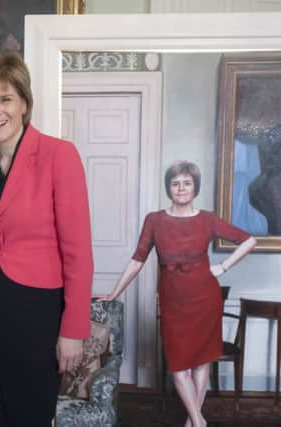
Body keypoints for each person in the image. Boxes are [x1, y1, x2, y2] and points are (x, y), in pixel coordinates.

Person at [0, 51, 94, 426]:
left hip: (38, 307)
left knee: (31, 410)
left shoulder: (59, 155)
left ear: (24, 102)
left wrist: (73, 330)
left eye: (5, 99)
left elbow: (78, 252)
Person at [99, 161, 256, 427]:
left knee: (201, 363)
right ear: (168, 188)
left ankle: (192, 422)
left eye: (187, 183)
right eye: (175, 183)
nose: (181, 188)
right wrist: (115, 292)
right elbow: (137, 259)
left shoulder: (207, 219)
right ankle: (199, 421)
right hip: (173, 302)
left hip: (205, 299)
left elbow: (249, 240)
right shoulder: (155, 220)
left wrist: (223, 266)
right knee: (179, 366)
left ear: (195, 188)